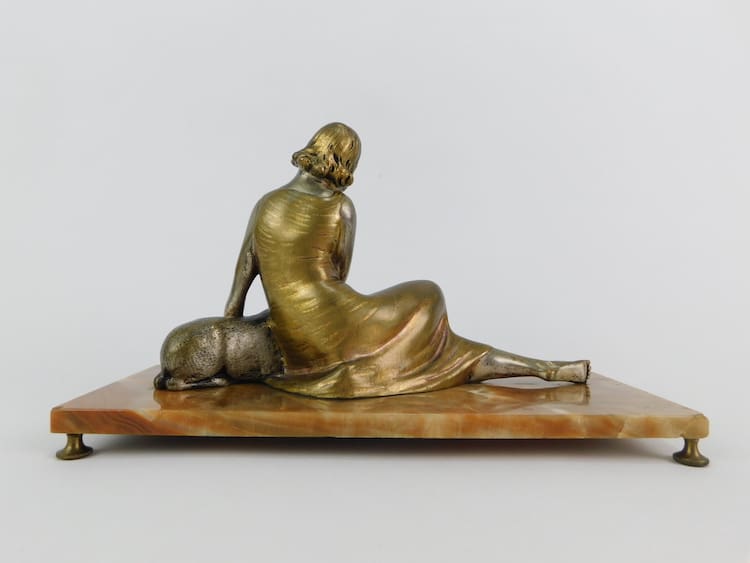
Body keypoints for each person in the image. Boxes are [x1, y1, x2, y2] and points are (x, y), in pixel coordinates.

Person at [223, 122, 589, 398]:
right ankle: (544, 370)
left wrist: (231, 316)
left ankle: (546, 369)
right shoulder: (339, 207)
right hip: (334, 324)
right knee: (428, 295)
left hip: (295, 335)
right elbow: (339, 273)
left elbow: (246, 266)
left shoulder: (266, 202)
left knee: (444, 346)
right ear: (347, 163)